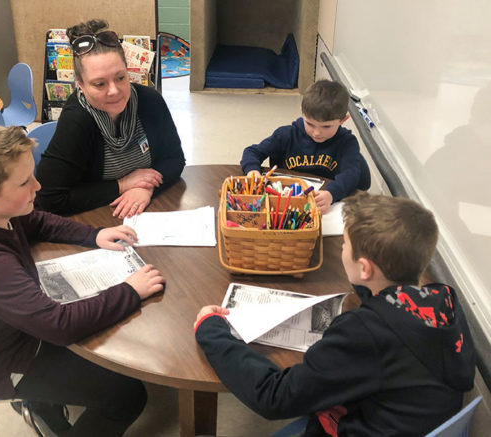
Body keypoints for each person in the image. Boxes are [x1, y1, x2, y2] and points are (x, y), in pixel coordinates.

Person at [0, 124, 165, 436]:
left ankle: (44, 403)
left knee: (114, 343)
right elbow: (59, 326)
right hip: (4, 364)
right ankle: (40, 401)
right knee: (126, 394)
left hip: (19, 331)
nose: (38, 186)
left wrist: (94, 234)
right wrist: (130, 291)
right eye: (25, 182)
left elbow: (37, 221)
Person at [194, 192, 475, 436]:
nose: (342, 249)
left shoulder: (363, 333)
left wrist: (211, 329)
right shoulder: (444, 299)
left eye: (344, 244)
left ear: (364, 269)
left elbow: (275, 397)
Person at [36, 19, 186, 218]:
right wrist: (122, 185)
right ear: (80, 84)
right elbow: (49, 199)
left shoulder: (150, 101)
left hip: (141, 212)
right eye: (99, 84)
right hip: (96, 219)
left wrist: (145, 188)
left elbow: (174, 159)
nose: (114, 91)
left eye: (120, 78)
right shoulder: (77, 121)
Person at [240, 80, 368, 214]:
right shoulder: (286, 135)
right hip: (284, 202)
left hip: (321, 203)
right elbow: (252, 151)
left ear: (343, 120)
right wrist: (252, 171)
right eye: (310, 124)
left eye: (326, 126)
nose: (317, 133)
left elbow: (351, 174)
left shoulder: (347, 142)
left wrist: (331, 193)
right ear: (302, 112)